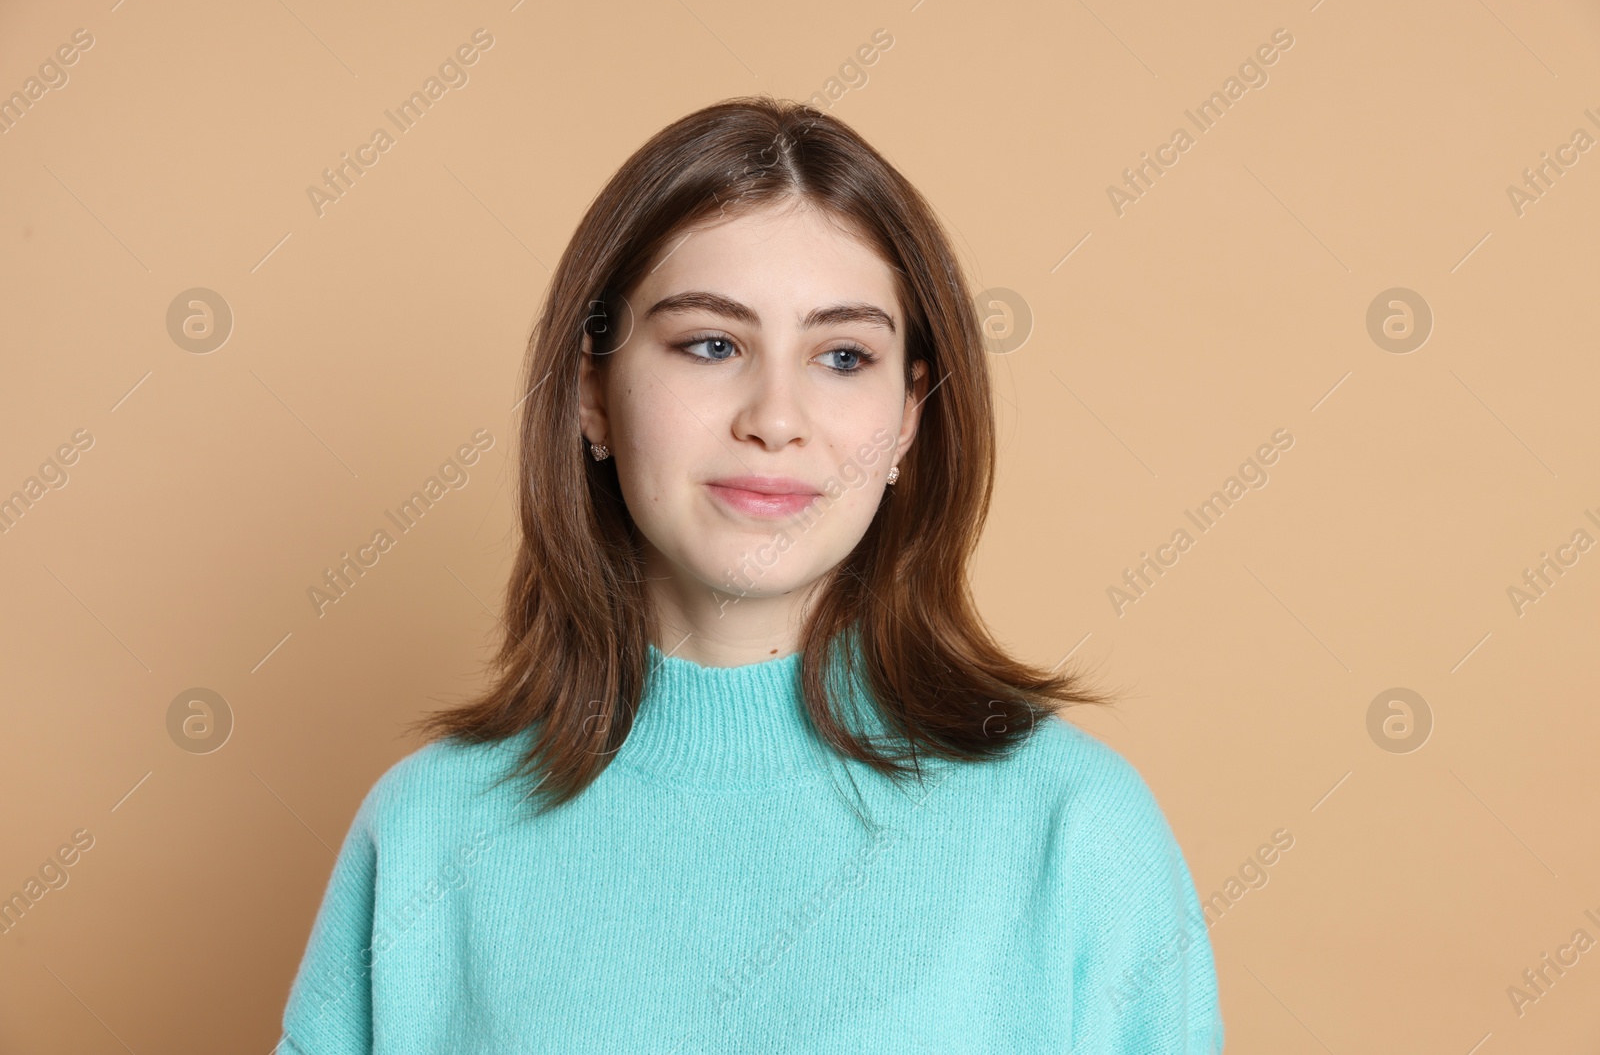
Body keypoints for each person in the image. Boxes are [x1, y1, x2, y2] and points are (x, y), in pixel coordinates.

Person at [276, 95, 1223, 1054]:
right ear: (591, 392)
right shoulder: (430, 831)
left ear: (908, 416)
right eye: (712, 344)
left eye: (844, 356)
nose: (776, 416)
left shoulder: (1075, 831)